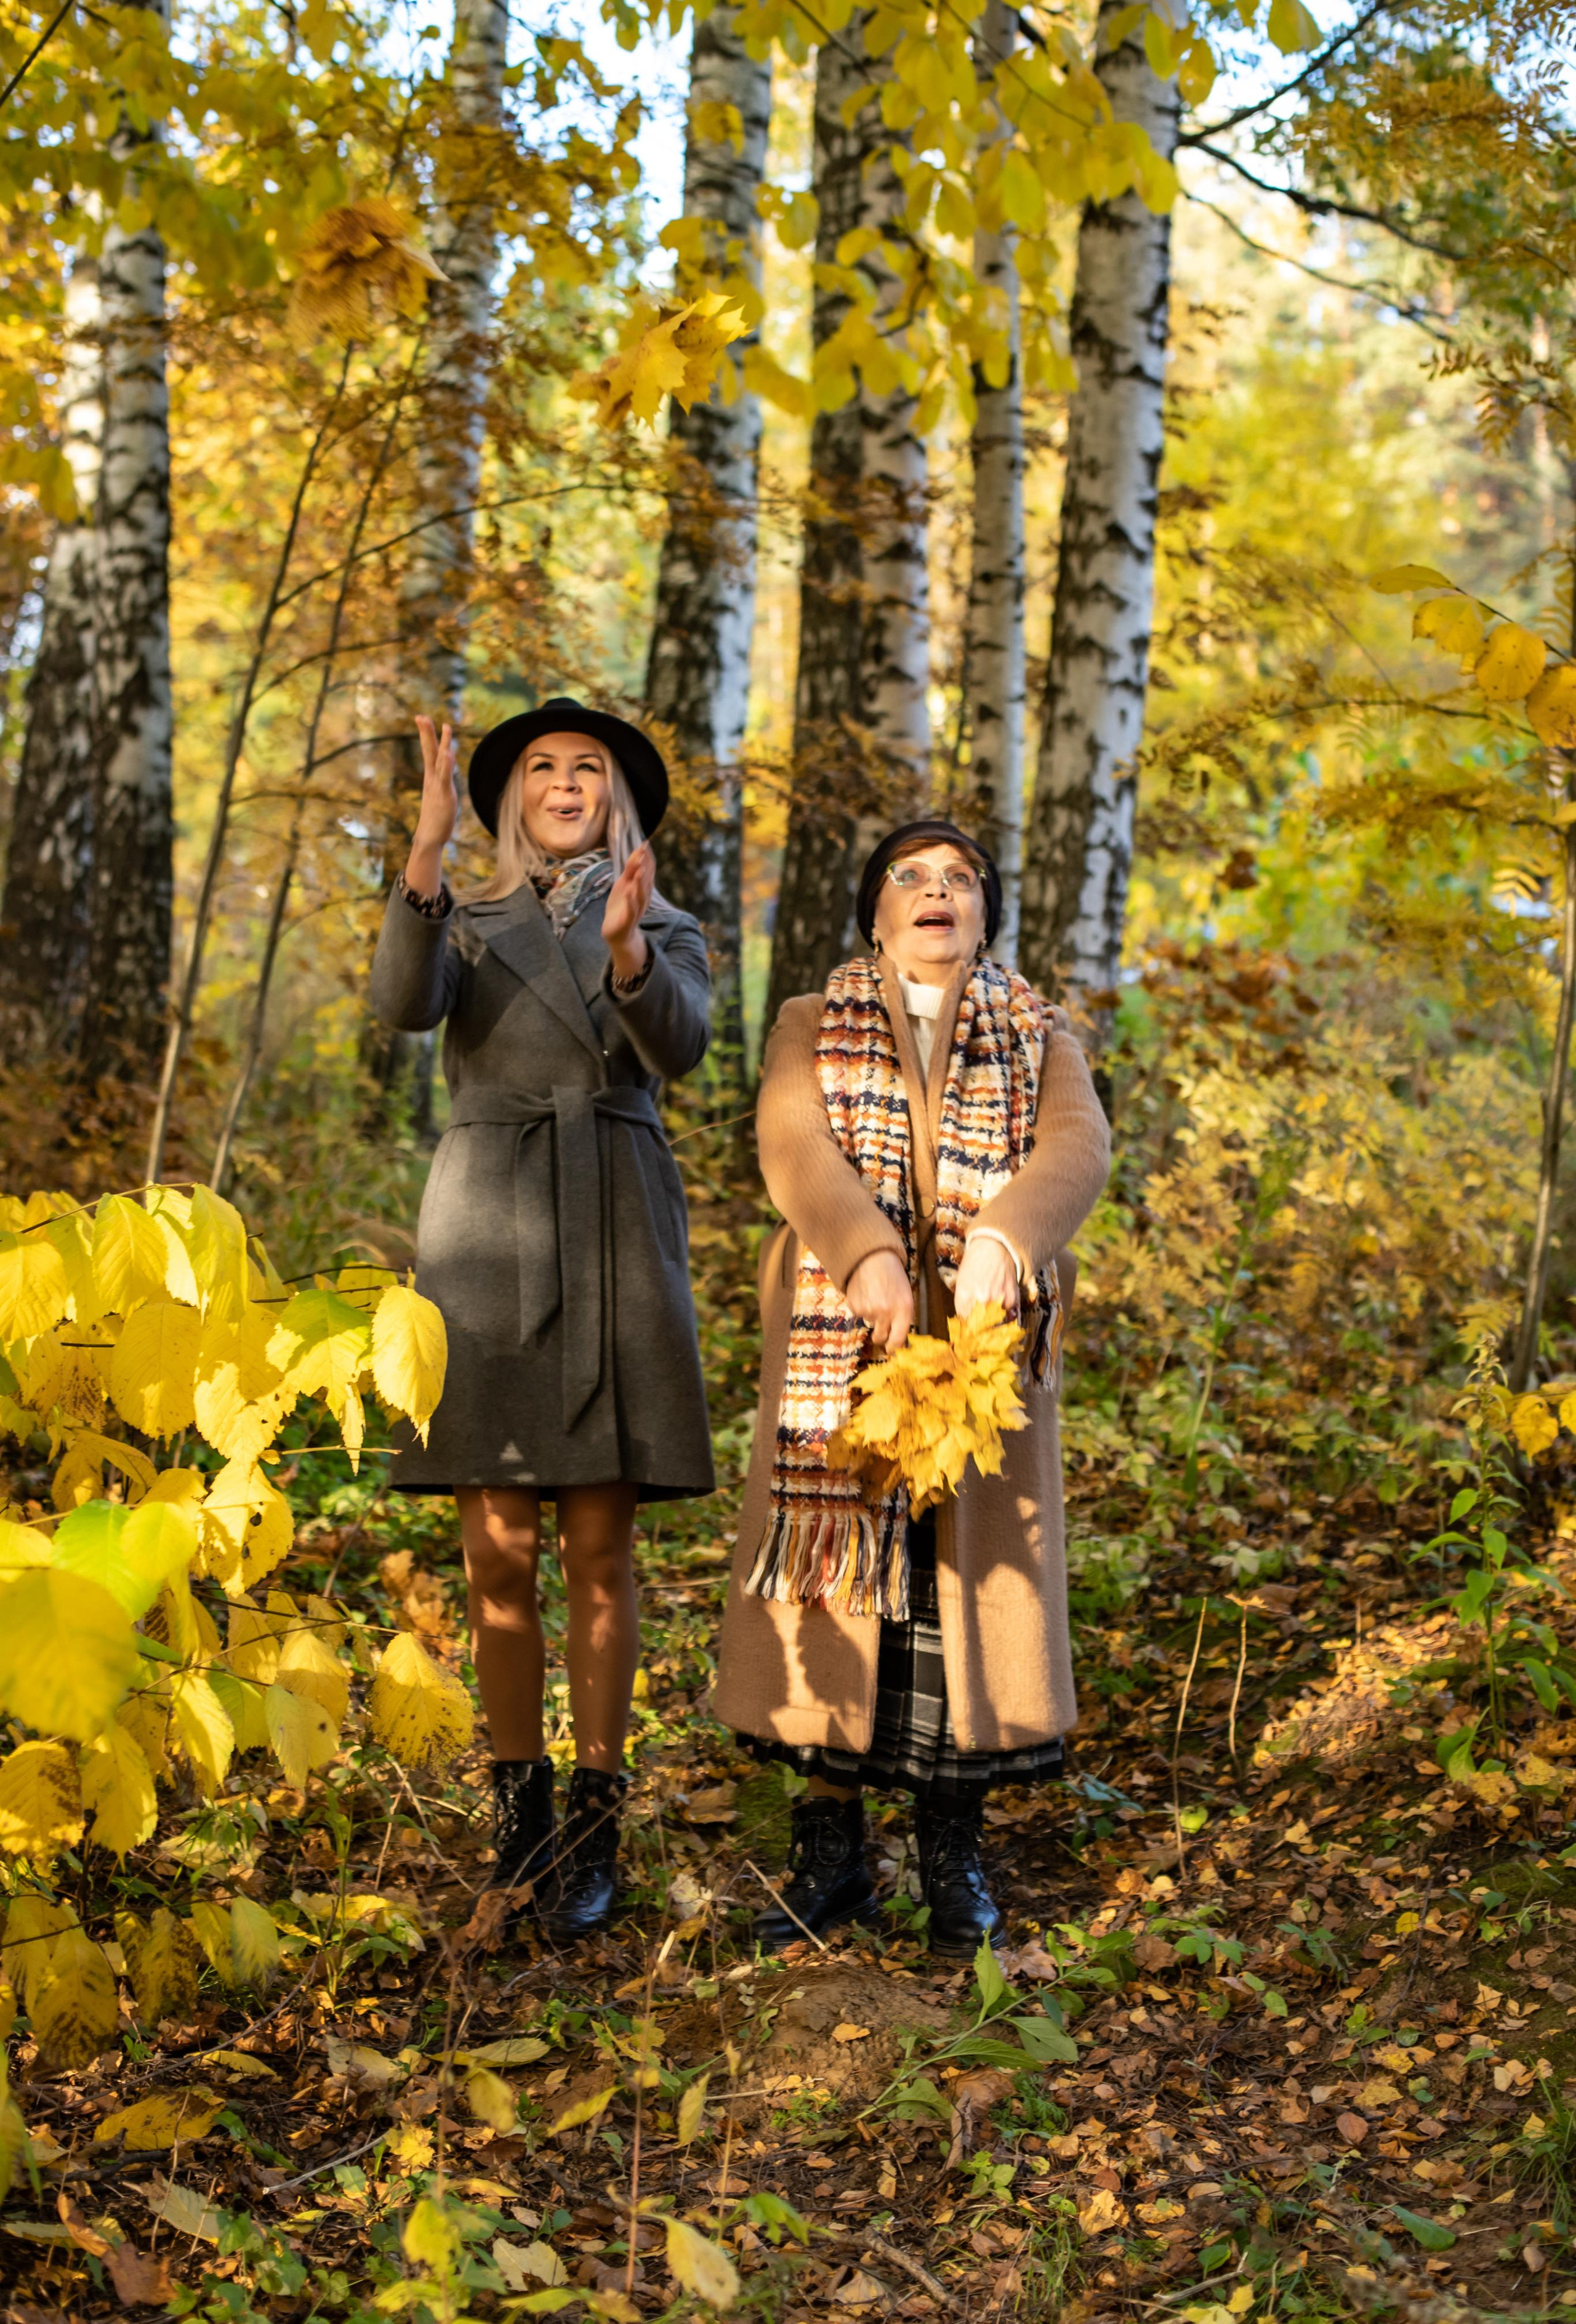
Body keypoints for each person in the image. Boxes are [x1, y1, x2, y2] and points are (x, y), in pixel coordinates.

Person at [712, 820, 1110, 1956]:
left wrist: (1007, 1236)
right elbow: (792, 1141)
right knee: (839, 1587)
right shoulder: (808, 1022)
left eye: (960, 881)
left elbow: (1078, 1153)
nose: (937, 894)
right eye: (912, 879)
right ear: (875, 912)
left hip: (984, 1353)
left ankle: (953, 1857)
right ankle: (830, 1857)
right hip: (844, 1339)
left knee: (960, 1592)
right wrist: (866, 1250)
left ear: (985, 915)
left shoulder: (1038, 1034)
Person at [370, 697, 714, 1941]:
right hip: (485, 1235)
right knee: (496, 1552)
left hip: (615, 1224)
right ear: (508, 798)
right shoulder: (462, 917)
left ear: (614, 800)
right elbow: (404, 1007)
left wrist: (625, 950)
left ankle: (591, 1822)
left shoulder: (667, 925)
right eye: (539, 768)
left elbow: (679, 1048)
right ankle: (515, 1819)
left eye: (586, 769)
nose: (564, 781)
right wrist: (420, 851)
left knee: (599, 1552)